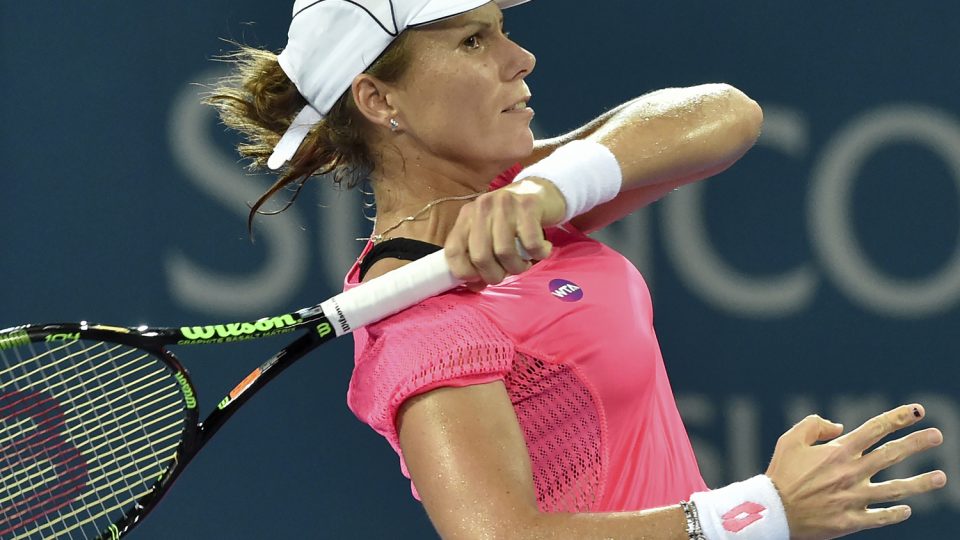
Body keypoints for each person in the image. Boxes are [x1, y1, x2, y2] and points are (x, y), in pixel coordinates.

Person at [205, 1, 947, 538]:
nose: (517, 57)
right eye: (472, 41)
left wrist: (542, 188)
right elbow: (500, 538)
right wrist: (757, 514)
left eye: (502, 30)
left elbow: (728, 115)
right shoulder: (420, 324)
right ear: (379, 99)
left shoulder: (513, 197)